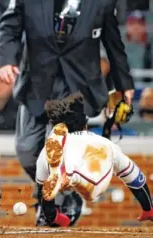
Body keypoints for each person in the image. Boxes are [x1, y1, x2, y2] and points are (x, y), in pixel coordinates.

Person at [0, 0, 135, 225]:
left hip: (76, 87)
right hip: (36, 83)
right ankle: (56, 194)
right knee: (27, 149)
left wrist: (124, 85)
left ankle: (58, 202)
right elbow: (9, 27)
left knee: (58, 150)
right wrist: (6, 60)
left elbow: (113, 43)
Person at [36, 93, 153, 227]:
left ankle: (67, 174)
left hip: (68, 169)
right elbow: (137, 182)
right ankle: (69, 174)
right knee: (99, 180)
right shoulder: (107, 144)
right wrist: (148, 209)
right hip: (98, 173)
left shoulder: (48, 150)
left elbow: (45, 202)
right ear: (85, 125)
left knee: (65, 172)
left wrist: (58, 218)